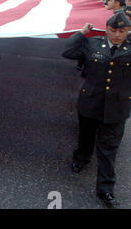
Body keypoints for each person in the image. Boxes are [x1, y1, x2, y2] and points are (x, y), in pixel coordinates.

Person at [62, 12, 131, 209]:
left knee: (109, 150)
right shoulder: (93, 44)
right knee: (86, 137)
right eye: (113, 30)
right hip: (90, 102)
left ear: (128, 31)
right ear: (106, 29)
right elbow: (68, 53)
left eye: (122, 31)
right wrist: (81, 34)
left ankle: (106, 189)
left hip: (117, 108)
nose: (117, 35)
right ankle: (81, 158)